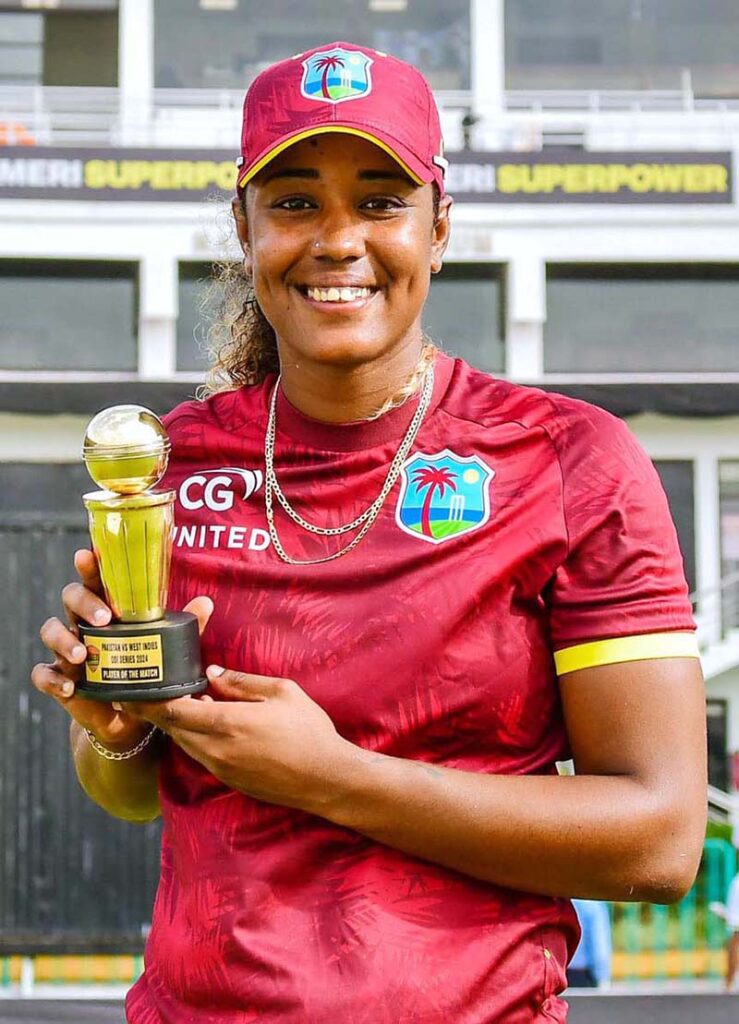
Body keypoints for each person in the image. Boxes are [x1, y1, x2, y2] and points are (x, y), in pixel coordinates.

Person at [33, 40, 707, 1024]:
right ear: (244, 226)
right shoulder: (174, 465)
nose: (336, 238)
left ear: (438, 227)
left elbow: (657, 840)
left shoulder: (569, 462)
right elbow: (139, 791)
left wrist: (334, 778)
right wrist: (116, 734)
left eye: (381, 200)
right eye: (295, 201)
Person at [567, 900, 612, 989]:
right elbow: (599, 949)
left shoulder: (557, 900)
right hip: (582, 975)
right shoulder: (593, 905)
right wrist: (603, 979)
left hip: (557, 973)